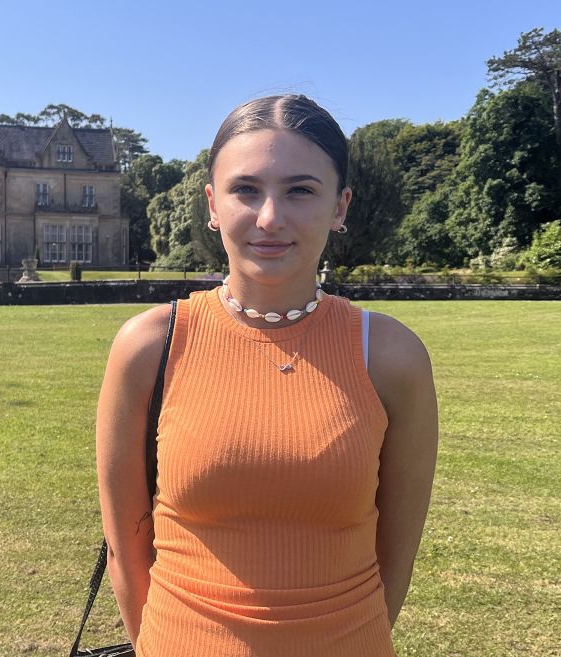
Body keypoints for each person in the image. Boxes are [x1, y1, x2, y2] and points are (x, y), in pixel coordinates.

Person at [95, 94, 439, 657]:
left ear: (340, 206)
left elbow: (395, 558)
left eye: (300, 190)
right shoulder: (150, 346)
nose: (270, 218)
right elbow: (126, 550)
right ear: (212, 203)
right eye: (245, 189)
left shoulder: (391, 355)